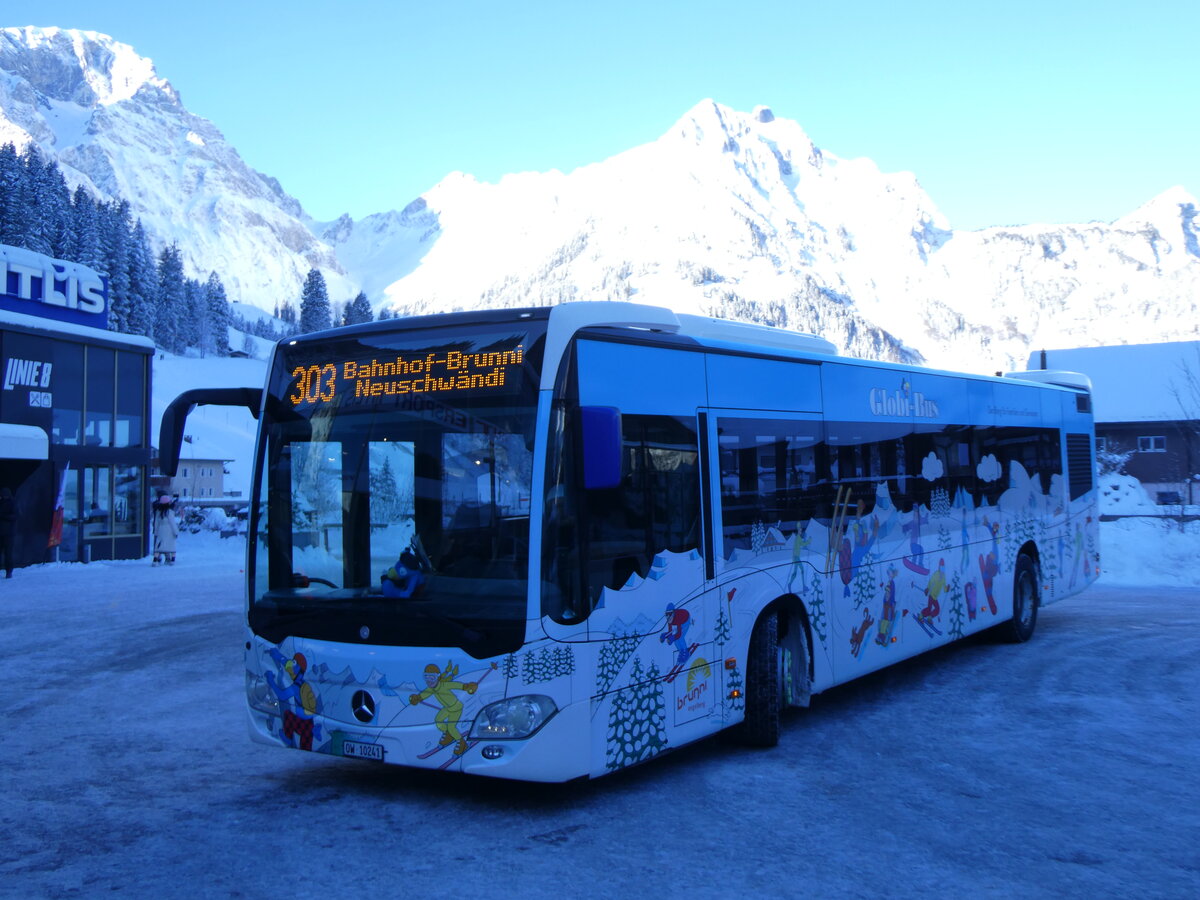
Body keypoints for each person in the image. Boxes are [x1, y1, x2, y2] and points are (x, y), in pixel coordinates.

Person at [151, 493, 179, 566]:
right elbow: (172, 523)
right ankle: (171, 560)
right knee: (171, 545)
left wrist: (156, 532)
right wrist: (176, 532)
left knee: (159, 545)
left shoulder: (158, 512)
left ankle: (155, 560)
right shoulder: (170, 512)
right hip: (169, 530)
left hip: (160, 529)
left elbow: (156, 523)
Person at [0, 487, 15, 579]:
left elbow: (14, 516)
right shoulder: (12, 502)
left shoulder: (12, 503)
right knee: (7, 553)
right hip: (7, 533)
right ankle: (9, 571)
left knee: (8, 554)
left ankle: (9, 571)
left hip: (8, 533)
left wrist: (3, 516)